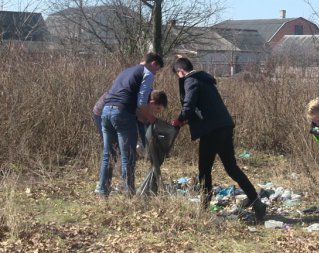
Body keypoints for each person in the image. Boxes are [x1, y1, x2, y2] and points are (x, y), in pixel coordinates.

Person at [171, 57, 266, 221]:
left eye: (178, 75)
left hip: (211, 131)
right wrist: (188, 120)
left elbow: (189, 104)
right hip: (224, 126)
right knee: (231, 167)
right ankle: (256, 201)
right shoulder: (204, 80)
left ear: (180, 71)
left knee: (204, 170)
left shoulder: (190, 80)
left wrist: (179, 120)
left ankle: (203, 209)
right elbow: (204, 106)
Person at [96, 52, 164, 197]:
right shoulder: (147, 73)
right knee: (128, 156)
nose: (156, 73)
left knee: (109, 154)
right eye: (157, 70)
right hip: (122, 113)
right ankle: (128, 193)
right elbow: (141, 101)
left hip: (106, 111)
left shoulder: (126, 71)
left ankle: (102, 191)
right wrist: (149, 117)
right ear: (153, 63)